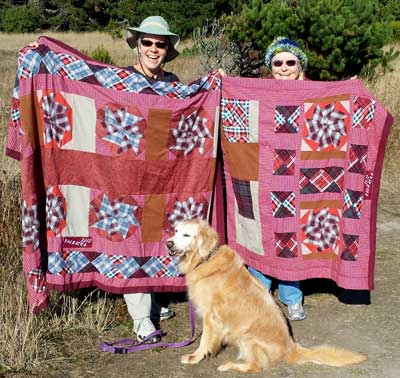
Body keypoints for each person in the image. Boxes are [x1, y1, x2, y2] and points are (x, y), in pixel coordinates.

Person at [248, 37, 308, 321]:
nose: (284, 68)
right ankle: (258, 291)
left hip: (299, 177)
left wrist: (350, 88)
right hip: (264, 174)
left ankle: (291, 296)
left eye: (290, 62)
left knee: (291, 234)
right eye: (277, 63)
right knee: (262, 231)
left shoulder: (312, 93)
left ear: (300, 66)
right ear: (269, 67)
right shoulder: (258, 93)